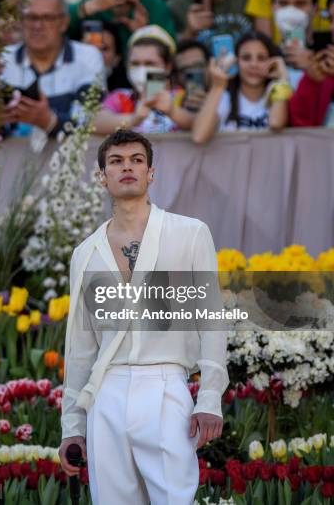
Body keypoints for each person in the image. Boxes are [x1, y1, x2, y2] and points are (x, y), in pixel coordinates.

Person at [59, 128, 229, 504]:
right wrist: (72, 426)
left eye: (137, 160)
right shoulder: (85, 253)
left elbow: (211, 320)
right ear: (102, 176)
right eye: (116, 162)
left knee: (174, 499)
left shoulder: (189, 234)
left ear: (151, 172)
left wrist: (210, 398)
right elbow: (81, 347)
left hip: (165, 383)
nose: (127, 168)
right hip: (107, 391)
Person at [0, 0, 104, 138]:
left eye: (47, 18)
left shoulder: (88, 56)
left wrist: (48, 121)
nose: (38, 26)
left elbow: (89, 122)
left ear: (64, 22)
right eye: (31, 17)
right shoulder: (3, 58)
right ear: (20, 21)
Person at [192, 32, 290, 144]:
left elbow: (276, 123)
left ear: (273, 62)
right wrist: (217, 86)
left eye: (261, 58)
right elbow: (198, 136)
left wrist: (282, 80)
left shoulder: (280, 94)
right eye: (246, 58)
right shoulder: (223, 97)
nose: (254, 64)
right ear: (236, 61)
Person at [93, 25, 193, 134]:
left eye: (150, 63)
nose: (142, 69)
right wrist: (134, 118)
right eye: (135, 64)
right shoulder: (121, 97)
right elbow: (95, 123)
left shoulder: (184, 96)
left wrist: (172, 111)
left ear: (168, 66)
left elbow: (199, 123)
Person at [268, 0, 324, 87]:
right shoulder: (262, 56)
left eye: (300, 3)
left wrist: (314, 70)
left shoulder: (328, 53)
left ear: (315, 10)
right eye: (283, 3)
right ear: (272, 8)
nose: (291, 11)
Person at [289, 0, 334, 127]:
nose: (332, 27)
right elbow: (300, 124)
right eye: (331, 20)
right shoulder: (324, 68)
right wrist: (311, 81)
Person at [81, 19, 127, 91]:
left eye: (104, 49)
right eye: (91, 48)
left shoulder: (125, 94)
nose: (96, 54)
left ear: (117, 58)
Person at [174, 39, 211, 112]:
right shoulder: (171, 106)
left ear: (210, 66)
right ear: (177, 77)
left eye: (198, 66)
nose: (192, 72)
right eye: (184, 69)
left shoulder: (230, 99)